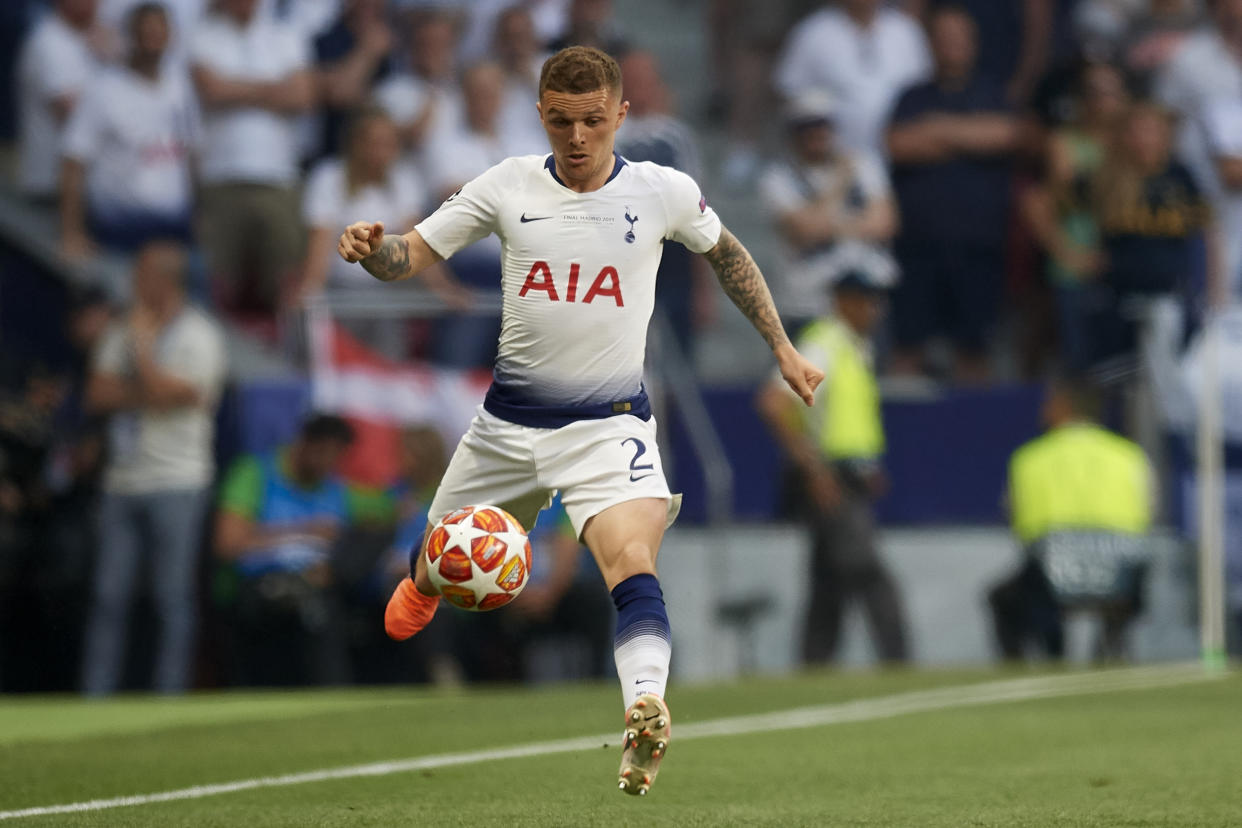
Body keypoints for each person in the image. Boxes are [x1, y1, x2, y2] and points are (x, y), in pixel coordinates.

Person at [336, 46, 823, 796]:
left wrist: (783, 346)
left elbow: (727, 254)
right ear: (540, 116)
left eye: (594, 120)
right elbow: (410, 254)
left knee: (631, 563)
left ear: (621, 115)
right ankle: (426, 584)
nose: (578, 136)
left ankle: (646, 706)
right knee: (434, 562)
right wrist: (373, 251)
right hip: (506, 429)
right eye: (561, 121)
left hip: (609, 427)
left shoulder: (662, 192)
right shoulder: (507, 185)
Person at [80, 241, 227, 695]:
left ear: (164, 280)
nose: (132, 285)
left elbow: (182, 394)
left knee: (172, 598)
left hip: (178, 481)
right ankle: (96, 698)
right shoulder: (123, 328)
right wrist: (149, 390)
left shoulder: (198, 334)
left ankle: (169, 697)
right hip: (122, 480)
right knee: (108, 598)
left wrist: (142, 353)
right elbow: (98, 395)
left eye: (141, 276)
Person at [755, 271, 909, 665]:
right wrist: (815, 470)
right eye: (866, 300)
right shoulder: (823, 343)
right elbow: (774, 402)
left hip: (849, 475)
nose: (875, 310)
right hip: (830, 478)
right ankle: (899, 664)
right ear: (843, 301)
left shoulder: (855, 347)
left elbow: (840, 419)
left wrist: (867, 465)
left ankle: (815, 664)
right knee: (870, 573)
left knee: (829, 582)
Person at [886, 4, 1021, 382]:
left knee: (974, 350)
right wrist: (969, 137)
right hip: (917, 246)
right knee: (908, 347)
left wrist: (939, 129)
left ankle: (976, 431)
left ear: (974, 43)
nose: (952, 46)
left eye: (959, 38)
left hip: (978, 246)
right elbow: (898, 144)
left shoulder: (993, 92)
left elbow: (1008, 135)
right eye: (944, 38)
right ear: (931, 43)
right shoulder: (912, 97)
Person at [988, 381, 1154, 661]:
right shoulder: (1130, 455)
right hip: (1120, 575)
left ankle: (1049, 656)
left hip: (1053, 571)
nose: (1043, 410)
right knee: (1132, 579)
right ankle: (1108, 646)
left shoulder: (1030, 457)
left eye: (1049, 403)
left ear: (1064, 408)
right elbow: (1149, 509)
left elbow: (1014, 516)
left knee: (1006, 597)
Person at [213, 414, 357, 687]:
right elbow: (228, 544)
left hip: (319, 582)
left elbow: (389, 512)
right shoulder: (255, 473)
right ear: (303, 443)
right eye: (323, 453)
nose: (328, 464)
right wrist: (303, 532)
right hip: (256, 585)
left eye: (335, 457)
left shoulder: (335, 489)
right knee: (307, 605)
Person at [191, 0, 315, 311]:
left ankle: (288, 355)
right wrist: (274, 89)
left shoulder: (286, 35)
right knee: (219, 283)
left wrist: (234, 87)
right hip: (220, 176)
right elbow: (211, 91)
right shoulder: (202, 35)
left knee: (284, 278)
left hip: (279, 176)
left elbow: (301, 96)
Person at [60, 2, 200, 260]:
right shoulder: (102, 90)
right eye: (147, 32)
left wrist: (200, 217)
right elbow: (73, 162)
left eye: (160, 32)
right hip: (121, 227)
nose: (153, 39)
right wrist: (71, 233)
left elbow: (192, 156)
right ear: (131, 36)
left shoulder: (181, 87)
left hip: (175, 226)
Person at [759, 92, 899, 335]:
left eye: (822, 125)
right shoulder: (778, 177)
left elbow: (884, 223)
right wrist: (839, 184)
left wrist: (829, 224)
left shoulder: (864, 164)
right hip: (808, 301)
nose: (817, 133)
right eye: (808, 127)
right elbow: (805, 231)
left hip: (864, 296)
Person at [615, 50, 717, 357]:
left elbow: (697, 210)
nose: (640, 87)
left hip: (675, 262)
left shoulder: (675, 137)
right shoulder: (609, 137)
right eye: (632, 80)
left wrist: (703, 287)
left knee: (680, 362)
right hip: (627, 261)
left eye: (646, 80)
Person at [774, 0, 931, 157]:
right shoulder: (812, 33)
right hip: (836, 164)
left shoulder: (906, 31)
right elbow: (789, 93)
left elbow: (924, 89)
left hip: (901, 162)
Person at [16, 0, 107, 203]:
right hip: (51, 186)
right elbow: (72, 114)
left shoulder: (89, 40)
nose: (94, 4)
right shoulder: (49, 42)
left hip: (80, 185)